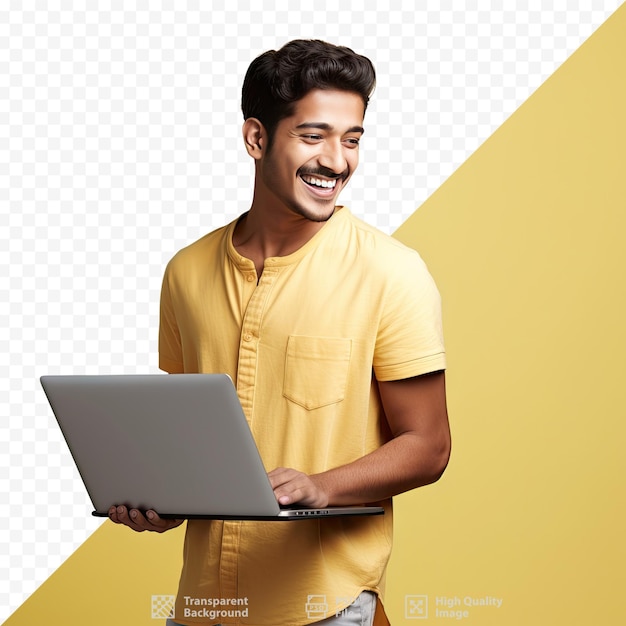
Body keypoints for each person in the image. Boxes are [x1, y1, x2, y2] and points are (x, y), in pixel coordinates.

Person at [109, 39, 450, 626]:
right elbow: (192, 447)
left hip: (326, 608)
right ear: (256, 138)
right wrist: (162, 502)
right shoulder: (185, 272)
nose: (337, 161)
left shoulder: (392, 273)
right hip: (203, 608)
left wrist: (322, 486)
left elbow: (430, 445)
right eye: (313, 136)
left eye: (353, 139)